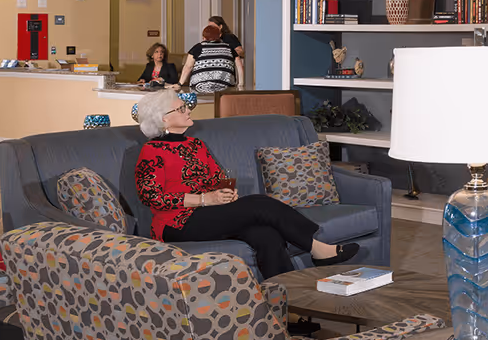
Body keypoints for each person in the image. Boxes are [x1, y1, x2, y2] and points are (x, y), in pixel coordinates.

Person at [133, 90, 359, 279]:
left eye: (186, 106)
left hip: (210, 212)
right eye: (181, 108)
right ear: (164, 118)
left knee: (267, 235)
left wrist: (224, 192)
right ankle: (317, 249)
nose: (188, 110)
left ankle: (286, 306)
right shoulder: (151, 151)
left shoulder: (196, 144)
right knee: (259, 204)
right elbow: (150, 196)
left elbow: (216, 178)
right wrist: (204, 199)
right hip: (176, 223)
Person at [181, 24, 243, 93]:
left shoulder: (198, 48)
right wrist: (241, 84)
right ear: (220, 35)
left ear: (204, 37)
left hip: (199, 86)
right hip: (225, 86)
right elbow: (239, 66)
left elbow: (188, 67)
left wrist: (180, 84)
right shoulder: (229, 48)